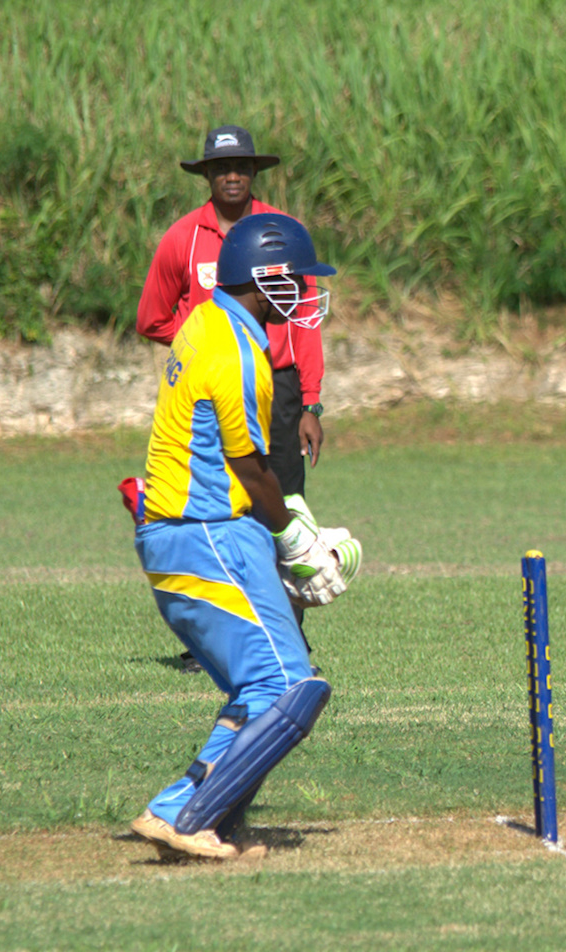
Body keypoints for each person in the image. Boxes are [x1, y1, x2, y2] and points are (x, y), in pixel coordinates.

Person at [128, 213, 345, 860]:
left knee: (263, 688)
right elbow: (250, 467)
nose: (304, 294)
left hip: (180, 534)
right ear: (264, 279)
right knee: (293, 687)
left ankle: (184, 813)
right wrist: (297, 542)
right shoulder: (237, 352)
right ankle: (189, 815)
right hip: (206, 533)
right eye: (296, 282)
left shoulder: (207, 323)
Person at [136, 125, 327, 671]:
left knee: (279, 495)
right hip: (225, 375)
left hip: (280, 385)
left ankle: (286, 629)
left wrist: (310, 403)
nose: (234, 175)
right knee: (233, 500)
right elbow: (151, 316)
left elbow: (307, 326)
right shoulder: (183, 239)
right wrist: (208, 353)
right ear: (208, 176)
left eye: (242, 166)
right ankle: (226, 634)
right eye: (222, 167)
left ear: (255, 173)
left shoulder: (282, 234)